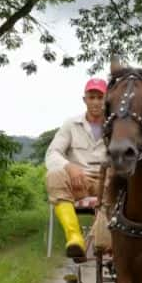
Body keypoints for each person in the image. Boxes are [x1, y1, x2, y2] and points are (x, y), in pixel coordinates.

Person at [45, 78, 108, 258]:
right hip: (80, 182)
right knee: (54, 175)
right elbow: (52, 153)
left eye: (100, 97)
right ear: (84, 99)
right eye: (91, 97)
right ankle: (75, 238)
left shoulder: (116, 124)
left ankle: (105, 240)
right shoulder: (71, 124)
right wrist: (69, 166)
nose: (95, 102)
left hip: (109, 183)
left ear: (107, 99)